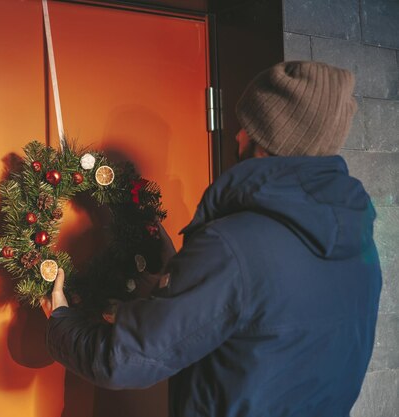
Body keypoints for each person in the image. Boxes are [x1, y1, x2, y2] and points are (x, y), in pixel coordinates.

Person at [41, 61, 382, 417]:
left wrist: (61, 322)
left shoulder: (231, 246)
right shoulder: (360, 247)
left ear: (268, 138)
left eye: (246, 126)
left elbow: (126, 359)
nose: (237, 135)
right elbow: (270, 327)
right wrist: (182, 276)